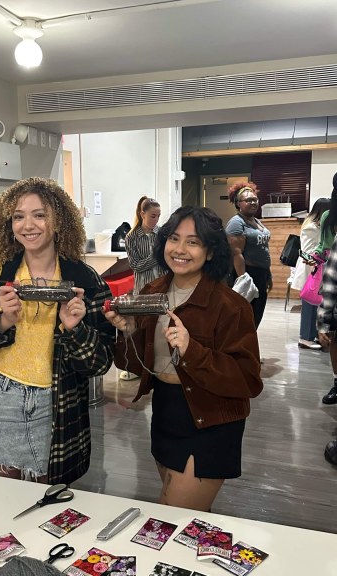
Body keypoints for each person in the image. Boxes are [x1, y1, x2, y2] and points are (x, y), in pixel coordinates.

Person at [0, 177, 115, 484]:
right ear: (8, 223)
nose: (28, 225)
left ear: (59, 220)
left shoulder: (85, 281)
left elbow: (100, 364)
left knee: (48, 503)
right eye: (18, 216)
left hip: (57, 403)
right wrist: (1, 322)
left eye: (40, 215)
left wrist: (75, 330)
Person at [104, 206, 263, 511]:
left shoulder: (230, 305)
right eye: (174, 239)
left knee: (172, 517)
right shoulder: (153, 292)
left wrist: (193, 351)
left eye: (193, 242)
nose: (179, 249)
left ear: (211, 251)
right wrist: (128, 332)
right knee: (185, 517)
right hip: (166, 411)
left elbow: (248, 379)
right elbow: (132, 365)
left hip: (210, 420)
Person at [120, 196, 165, 381]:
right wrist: (157, 254)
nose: (156, 220)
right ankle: (139, 365)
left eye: (158, 216)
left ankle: (160, 363)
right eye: (153, 216)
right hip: (143, 288)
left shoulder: (161, 233)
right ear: (142, 214)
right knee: (142, 327)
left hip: (162, 285)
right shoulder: (132, 237)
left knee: (161, 326)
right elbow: (136, 265)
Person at [225, 181, 272, 328]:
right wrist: (244, 280)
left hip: (260, 274)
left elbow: (263, 249)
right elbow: (236, 254)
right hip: (247, 274)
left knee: (256, 316)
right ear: (238, 203)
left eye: (255, 200)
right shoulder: (236, 223)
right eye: (248, 200)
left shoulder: (256, 221)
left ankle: (248, 346)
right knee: (246, 318)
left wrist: (268, 274)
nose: (253, 202)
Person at [292, 198, 331, 349]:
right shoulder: (312, 227)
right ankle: (305, 338)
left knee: (315, 305)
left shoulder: (317, 226)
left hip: (315, 270)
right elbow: (306, 252)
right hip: (310, 270)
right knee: (309, 306)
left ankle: (313, 336)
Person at [314, 173, 337, 404]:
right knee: (333, 333)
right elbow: (323, 243)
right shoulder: (330, 215)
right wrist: (316, 257)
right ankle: (336, 382)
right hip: (332, 267)